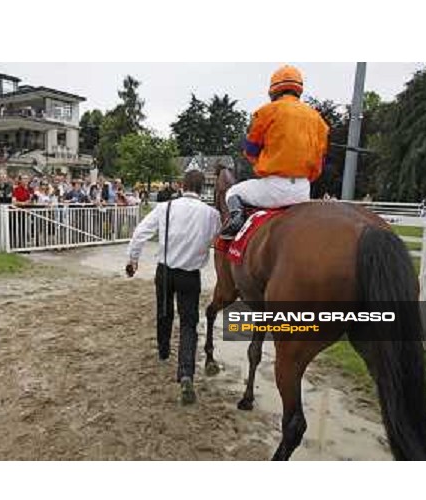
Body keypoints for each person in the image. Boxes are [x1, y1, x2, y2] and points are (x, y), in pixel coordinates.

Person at [126, 169, 221, 405]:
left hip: (166, 270)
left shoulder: (165, 207)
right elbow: (215, 240)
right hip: (190, 274)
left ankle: (164, 350)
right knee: (189, 323)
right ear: (202, 189)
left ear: (182, 185)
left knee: (164, 312)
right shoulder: (212, 214)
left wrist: (132, 259)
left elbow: (140, 233)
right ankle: (186, 372)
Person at [220, 65, 329, 238]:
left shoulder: (266, 112)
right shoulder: (318, 119)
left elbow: (251, 150)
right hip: (303, 190)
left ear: (273, 91)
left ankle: (236, 224)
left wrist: (263, 162)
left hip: (274, 187)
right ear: (299, 90)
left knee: (232, 192)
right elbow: (320, 162)